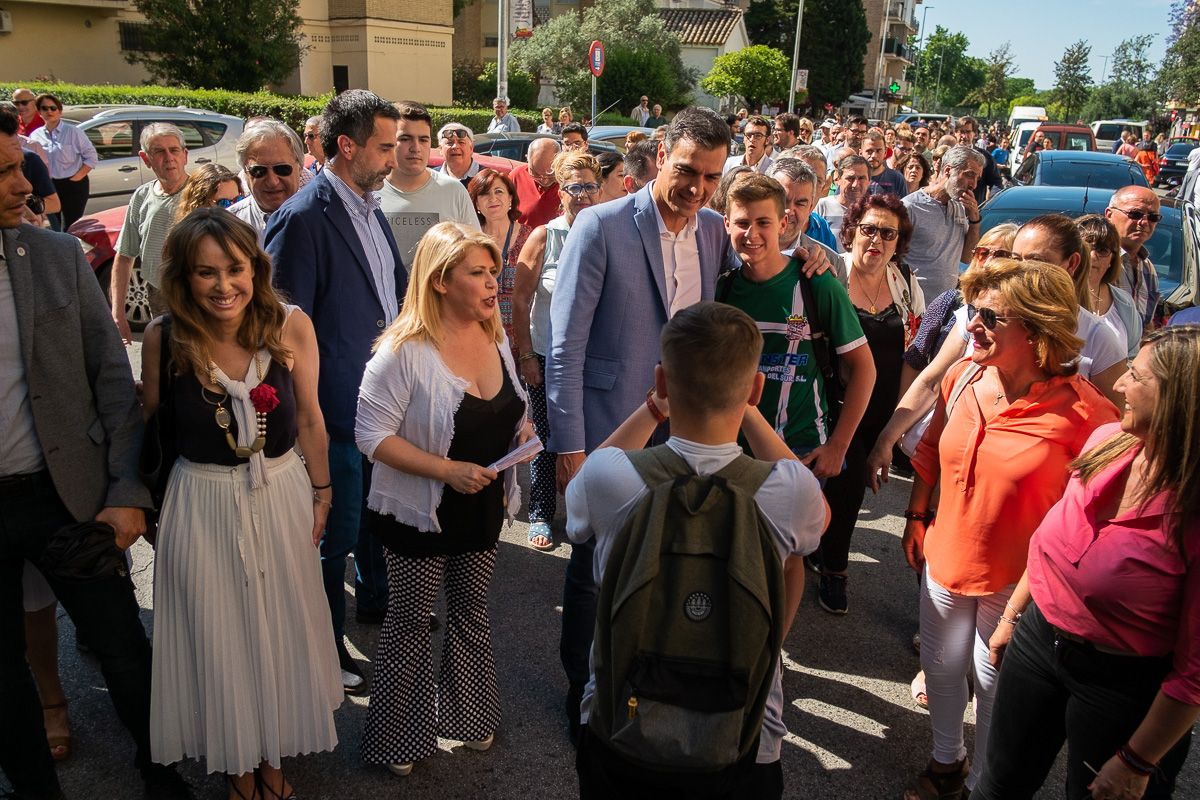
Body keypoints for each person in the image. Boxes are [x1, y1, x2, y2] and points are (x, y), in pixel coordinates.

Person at [0, 107, 191, 800]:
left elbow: (115, 382)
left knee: (124, 650)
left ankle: (161, 772)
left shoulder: (54, 257)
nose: (25, 184)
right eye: (4, 172)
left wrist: (124, 489)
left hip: (70, 497)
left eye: (20, 163)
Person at [568, 301, 829, 799]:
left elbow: (586, 478)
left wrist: (650, 409)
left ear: (663, 383)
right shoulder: (786, 492)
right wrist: (751, 412)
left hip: (621, 729)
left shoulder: (612, 481)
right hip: (744, 739)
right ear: (755, 389)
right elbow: (820, 513)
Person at [548, 107, 739, 742]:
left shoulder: (712, 230)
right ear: (661, 153)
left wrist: (818, 254)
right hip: (612, 421)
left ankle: (635, 671)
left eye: (711, 177)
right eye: (687, 170)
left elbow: (771, 249)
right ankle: (582, 687)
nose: (697, 188)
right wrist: (570, 444)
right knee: (592, 559)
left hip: (684, 424)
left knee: (660, 554)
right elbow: (566, 343)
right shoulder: (600, 226)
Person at [901, 259, 1120, 800]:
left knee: (996, 687)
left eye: (991, 318)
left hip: (1018, 581)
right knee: (942, 667)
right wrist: (916, 513)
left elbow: (1092, 518)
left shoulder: (1090, 416)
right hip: (945, 553)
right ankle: (946, 763)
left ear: (1039, 329)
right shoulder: (964, 376)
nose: (971, 325)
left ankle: (982, 786)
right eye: (972, 310)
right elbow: (931, 449)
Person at [144, 208, 342, 800]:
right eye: (206, 273)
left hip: (279, 489)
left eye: (236, 269)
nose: (224, 285)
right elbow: (154, 431)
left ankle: (273, 760)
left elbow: (310, 417)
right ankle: (238, 768)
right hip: (198, 498)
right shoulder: (165, 335)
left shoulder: (290, 326)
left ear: (255, 267)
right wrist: (154, 515)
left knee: (278, 623)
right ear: (184, 277)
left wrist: (323, 492)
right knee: (219, 632)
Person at [975, 325, 1200, 800]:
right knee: (997, 785)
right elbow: (1048, 540)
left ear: (1179, 398)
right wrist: (1013, 618)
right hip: (1038, 639)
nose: (1118, 384)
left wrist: (1138, 760)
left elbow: (1195, 671)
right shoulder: (1106, 440)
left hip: (1124, 687)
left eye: (1135, 375)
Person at [356, 221, 536, 777]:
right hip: (419, 511)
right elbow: (370, 436)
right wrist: (446, 470)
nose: (491, 284)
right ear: (439, 281)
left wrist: (523, 429)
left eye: (492, 272)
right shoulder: (402, 351)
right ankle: (397, 739)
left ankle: (467, 715)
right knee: (411, 622)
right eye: (477, 273)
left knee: (471, 613)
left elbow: (512, 401)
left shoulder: (494, 333)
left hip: (479, 505)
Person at [265, 89, 408, 695]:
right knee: (331, 543)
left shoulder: (371, 208)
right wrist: (309, 419)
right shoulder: (302, 218)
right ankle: (323, 654)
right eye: (384, 146)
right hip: (333, 419)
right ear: (346, 146)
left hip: (377, 409)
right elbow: (278, 331)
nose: (394, 157)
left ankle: (371, 613)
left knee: (367, 528)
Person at [818, 194, 923, 614]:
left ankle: (824, 554)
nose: (876, 240)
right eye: (868, 229)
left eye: (887, 233)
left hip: (882, 408)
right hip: (836, 404)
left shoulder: (905, 282)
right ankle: (834, 568)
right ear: (852, 231)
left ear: (899, 242)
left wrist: (897, 425)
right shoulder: (831, 272)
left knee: (853, 487)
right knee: (841, 487)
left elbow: (913, 355)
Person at [512, 151, 601, 552]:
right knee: (547, 439)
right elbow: (520, 299)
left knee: (592, 439)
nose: (583, 195)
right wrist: (527, 355)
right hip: (547, 354)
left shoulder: (605, 232)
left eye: (590, 186)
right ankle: (541, 513)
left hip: (593, 358)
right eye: (575, 187)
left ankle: (588, 512)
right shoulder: (544, 236)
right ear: (560, 191)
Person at [110, 123, 190, 344]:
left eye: (174, 150)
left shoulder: (201, 193)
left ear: (185, 155)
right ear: (146, 159)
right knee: (164, 362)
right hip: (159, 296)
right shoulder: (141, 196)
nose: (169, 158)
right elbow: (124, 257)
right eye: (159, 151)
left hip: (195, 296)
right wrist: (118, 314)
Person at [378, 101, 480, 268]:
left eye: (423, 140)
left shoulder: (453, 191)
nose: (416, 148)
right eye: (405, 139)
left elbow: (475, 256)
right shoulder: (369, 192)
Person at [901, 145, 983, 300]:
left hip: (945, 306)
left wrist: (974, 221)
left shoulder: (959, 207)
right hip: (913, 306)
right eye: (969, 175)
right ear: (947, 171)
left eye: (977, 178)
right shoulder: (909, 207)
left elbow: (966, 258)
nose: (974, 184)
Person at [469, 168, 530, 349]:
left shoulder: (531, 238)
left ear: (510, 198)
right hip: (480, 336)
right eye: (484, 194)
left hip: (524, 338)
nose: (493, 198)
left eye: (499, 191)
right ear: (476, 204)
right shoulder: (468, 240)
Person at [28, 92, 97, 230]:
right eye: (44, 108)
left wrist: (77, 177)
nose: (49, 111)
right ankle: (59, 250)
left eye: (53, 108)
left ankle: (73, 250)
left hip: (73, 185)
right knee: (55, 225)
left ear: (59, 110)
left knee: (72, 225)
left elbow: (91, 156)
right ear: (39, 112)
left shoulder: (73, 132)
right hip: (49, 185)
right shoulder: (35, 135)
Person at [1077, 214, 1141, 359]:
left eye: (1102, 250)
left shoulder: (1125, 303)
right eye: (1085, 247)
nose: (1092, 256)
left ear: (1112, 259)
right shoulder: (1055, 297)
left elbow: (1132, 357)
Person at [228, 120, 303, 239]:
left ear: (300, 168)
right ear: (245, 172)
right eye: (259, 171)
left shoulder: (325, 221)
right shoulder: (229, 227)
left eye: (282, 169)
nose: (272, 181)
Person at [1105, 184, 1162, 330]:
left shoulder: (1148, 268)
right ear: (1109, 215)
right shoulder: (1097, 261)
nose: (1144, 222)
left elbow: (1147, 324)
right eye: (1135, 214)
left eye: (1153, 217)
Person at [765, 158, 839, 267]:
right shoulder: (736, 248)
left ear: (810, 207)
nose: (789, 211)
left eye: (800, 203)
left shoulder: (831, 263)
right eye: (783, 200)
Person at [814, 154, 870, 246]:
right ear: (838, 180)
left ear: (869, 181)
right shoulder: (822, 206)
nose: (855, 184)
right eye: (850, 178)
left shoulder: (873, 210)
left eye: (861, 178)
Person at [510, 137, 562, 228]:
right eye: (536, 173)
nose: (544, 180)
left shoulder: (571, 181)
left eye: (550, 174)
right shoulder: (516, 176)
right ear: (527, 159)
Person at [954, 116, 1001, 205]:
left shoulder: (985, 157)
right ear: (955, 133)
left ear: (974, 134)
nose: (964, 136)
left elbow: (996, 183)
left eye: (968, 132)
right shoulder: (948, 155)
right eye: (961, 132)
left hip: (974, 209)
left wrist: (993, 202)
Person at [173, 163, 243, 222]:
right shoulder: (188, 237)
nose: (233, 208)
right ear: (200, 205)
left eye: (238, 200)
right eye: (224, 203)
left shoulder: (247, 232)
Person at [437, 122, 483, 187]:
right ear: (441, 149)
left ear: (471, 148)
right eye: (449, 142)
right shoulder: (430, 178)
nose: (455, 146)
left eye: (461, 142)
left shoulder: (488, 178)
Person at [862, 130, 907, 196]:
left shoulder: (896, 178)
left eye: (878, 151)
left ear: (885, 152)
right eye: (869, 151)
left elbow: (903, 205)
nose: (874, 155)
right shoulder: (853, 177)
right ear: (861, 153)